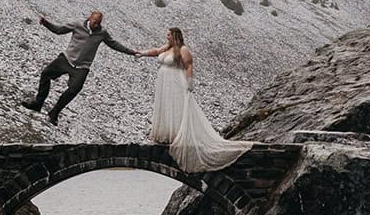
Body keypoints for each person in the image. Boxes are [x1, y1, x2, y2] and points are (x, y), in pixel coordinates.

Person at [137, 27, 252, 172]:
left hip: (175, 81)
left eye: (168, 35)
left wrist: (189, 84)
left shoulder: (183, 50)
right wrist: (142, 53)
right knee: (166, 106)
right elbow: (156, 52)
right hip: (164, 82)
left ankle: (179, 134)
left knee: (177, 105)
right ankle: (168, 135)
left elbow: (189, 65)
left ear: (175, 36)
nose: (166, 37)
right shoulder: (167, 48)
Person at [22, 10, 136, 124]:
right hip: (66, 59)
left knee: (74, 90)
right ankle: (38, 103)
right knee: (45, 74)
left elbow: (114, 44)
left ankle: (54, 112)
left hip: (82, 67)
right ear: (89, 18)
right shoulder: (77, 24)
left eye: (98, 23)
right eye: (94, 22)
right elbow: (59, 30)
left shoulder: (102, 33)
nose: (96, 25)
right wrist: (46, 23)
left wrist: (131, 52)